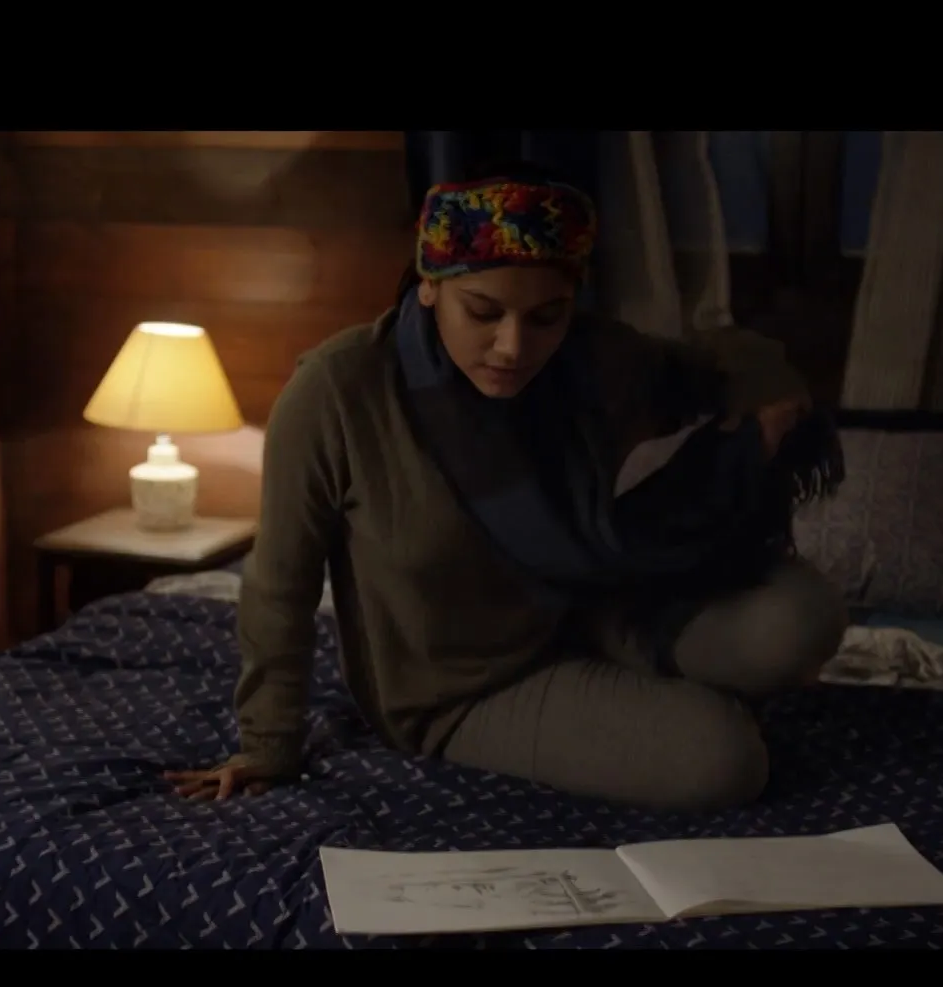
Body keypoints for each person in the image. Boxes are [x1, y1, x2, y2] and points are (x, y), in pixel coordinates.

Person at [169, 163, 849, 813]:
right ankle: (655, 702)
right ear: (430, 286)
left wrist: (771, 400)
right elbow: (279, 583)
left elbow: (724, 363)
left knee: (803, 614)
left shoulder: (592, 361)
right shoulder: (340, 391)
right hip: (462, 688)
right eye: (483, 312)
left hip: (590, 610)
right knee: (725, 760)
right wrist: (267, 746)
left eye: (545, 316)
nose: (513, 347)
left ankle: (641, 687)